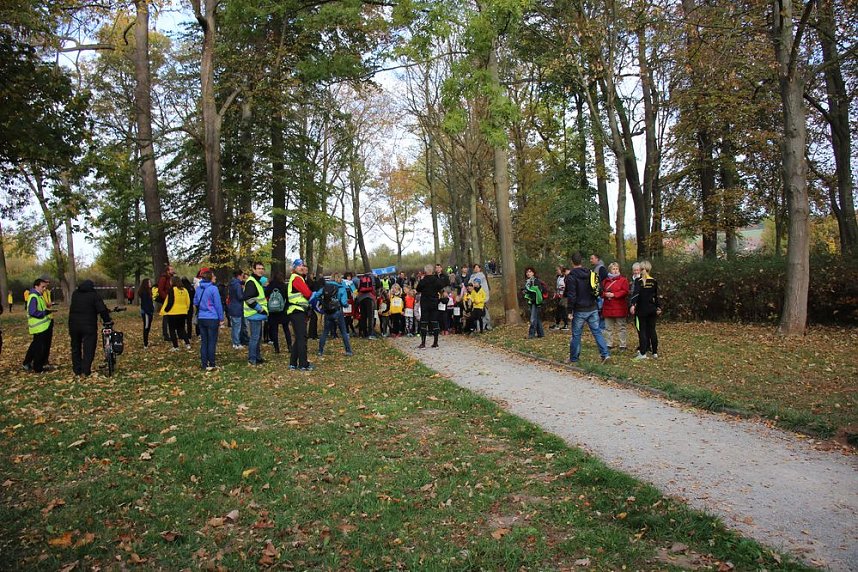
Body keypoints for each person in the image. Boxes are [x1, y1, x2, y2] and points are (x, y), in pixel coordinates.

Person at [566, 252, 610, 364]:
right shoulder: (590, 273)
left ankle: (574, 358)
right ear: (582, 261)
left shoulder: (571, 276)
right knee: (597, 332)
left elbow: (572, 295)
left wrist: (569, 310)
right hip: (592, 307)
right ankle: (605, 354)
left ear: (572, 262)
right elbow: (597, 288)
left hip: (579, 309)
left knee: (576, 334)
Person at [68, 280, 112, 377]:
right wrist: (107, 320)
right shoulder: (94, 295)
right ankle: (85, 370)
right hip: (88, 325)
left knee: (75, 347)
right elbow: (101, 309)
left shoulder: (75, 294)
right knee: (89, 348)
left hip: (73, 324)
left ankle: (77, 369)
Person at [630, 260, 661, 359]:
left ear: (641, 269)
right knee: (652, 330)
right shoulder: (654, 281)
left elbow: (636, 295)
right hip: (652, 309)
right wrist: (658, 307)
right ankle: (655, 352)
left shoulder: (638, 281)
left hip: (641, 310)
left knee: (642, 330)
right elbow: (656, 296)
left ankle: (642, 353)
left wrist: (633, 305)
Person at [193, 270, 224, 370]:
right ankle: (212, 363)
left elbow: (195, 302)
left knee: (204, 341)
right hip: (212, 317)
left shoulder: (198, 288)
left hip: (201, 317)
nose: (215, 277)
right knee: (212, 341)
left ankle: (204, 363)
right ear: (210, 277)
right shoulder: (213, 289)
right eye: (214, 276)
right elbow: (218, 304)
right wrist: (221, 318)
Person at [286, 258, 313, 370]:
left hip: (296, 311)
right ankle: (303, 364)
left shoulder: (297, 278)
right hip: (297, 311)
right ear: (294, 268)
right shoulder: (297, 278)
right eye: (299, 266)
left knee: (299, 338)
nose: (301, 267)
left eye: (302, 265)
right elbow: (307, 293)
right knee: (302, 338)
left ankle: (293, 363)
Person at [415, 263, 450, 348]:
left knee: (424, 322)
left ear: (425, 271)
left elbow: (418, 289)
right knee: (435, 321)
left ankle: (423, 343)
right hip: (434, 302)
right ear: (432, 270)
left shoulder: (423, 280)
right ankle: (435, 342)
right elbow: (441, 287)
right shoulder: (436, 280)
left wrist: (421, 280)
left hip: (425, 303)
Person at [318, 273, 353, 357]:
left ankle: (320, 351)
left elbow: (316, 295)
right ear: (339, 278)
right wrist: (346, 305)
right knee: (343, 332)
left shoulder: (325, 287)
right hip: (337, 312)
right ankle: (348, 351)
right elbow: (344, 302)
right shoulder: (341, 288)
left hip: (327, 312)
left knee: (325, 332)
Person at [23, 278, 54, 373]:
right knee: (39, 347)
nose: (44, 289)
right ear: (36, 286)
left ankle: (28, 363)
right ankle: (37, 367)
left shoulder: (38, 296)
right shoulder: (33, 296)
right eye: (42, 287)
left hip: (43, 326)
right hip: (38, 326)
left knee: (36, 346)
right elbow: (33, 312)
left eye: (45, 287)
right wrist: (44, 313)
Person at [243, 261, 269, 366]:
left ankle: (257, 358)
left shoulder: (257, 281)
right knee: (255, 337)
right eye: (258, 268)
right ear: (253, 270)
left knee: (257, 337)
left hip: (257, 315)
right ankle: (252, 359)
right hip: (254, 314)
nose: (261, 270)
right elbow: (248, 299)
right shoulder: (251, 282)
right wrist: (260, 309)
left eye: (262, 268)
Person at [601, 262, 630, 351]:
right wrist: (606, 294)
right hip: (608, 307)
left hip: (619, 307)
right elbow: (600, 292)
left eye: (616, 268)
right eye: (613, 269)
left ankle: (623, 344)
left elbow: (625, 291)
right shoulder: (605, 281)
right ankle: (608, 343)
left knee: (621, 327)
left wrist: (614, 294)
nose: (615, 270)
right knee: (608, 327)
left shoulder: (623, 280)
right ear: (610, 270)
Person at [265, 271, 292, 355]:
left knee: (274, 330)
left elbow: (265, 296)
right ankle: (289, 346)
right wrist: (286, 307)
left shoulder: (270, 286)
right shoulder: (284, 286)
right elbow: (288, 298)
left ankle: (276, 348)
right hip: (283, 310)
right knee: (286, 329)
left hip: (272, 311)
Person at [161, 276, 191, 351]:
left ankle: (175, 346)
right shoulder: (185, 290)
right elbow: (188, 301)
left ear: (173, 282)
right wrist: (186, 309)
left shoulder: (172, 290)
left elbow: (170, 301)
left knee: (172, 330)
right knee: (181, 329)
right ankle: (187, 344)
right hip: (183, 312)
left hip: (173, 312)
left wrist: (166, 310)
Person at [522, 267, 546, 338]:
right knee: (537, 318)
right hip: (531, 302)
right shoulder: (528, 281)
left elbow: (536, 291)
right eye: (527, 272)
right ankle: (541, 334)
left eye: (530, 272)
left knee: (533, 319)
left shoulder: (536, 281)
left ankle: (531, 334)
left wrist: (528, 291)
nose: (528, 273)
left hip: (536, 302)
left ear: (533, 273)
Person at [228, 270, 248, 349]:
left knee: (234, 326)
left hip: (232, 306)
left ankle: (235, 342)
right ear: (239, 276)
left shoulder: (232, 284)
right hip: (237, 307)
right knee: (237, 326)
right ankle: (236, 343)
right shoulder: (237, 285)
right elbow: (240, 296)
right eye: (242, 276)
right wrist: (245, 294)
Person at [156, 264, 176, 341]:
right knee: (166, 317)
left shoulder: (171, 278)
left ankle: (170, 332)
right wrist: (166, 298)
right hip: (166, 299)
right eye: (171, 269)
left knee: (170, 316)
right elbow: (160, 290)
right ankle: (166, 334)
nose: (172, 270)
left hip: (171, 299)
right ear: (168, 271)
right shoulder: (163, 278)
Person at [469, 263, 490, 330]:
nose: (476, 269)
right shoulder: (472, 276)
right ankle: (475, 328)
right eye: (475, 268)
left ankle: (484, 326)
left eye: (477, 267)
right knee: (474, 315)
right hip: (474, 301)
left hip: (481, 301)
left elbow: (484, 287)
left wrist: (484, 298)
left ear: (480, 268)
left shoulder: (482, 276)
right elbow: (470, 285)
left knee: (483, 314)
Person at [590, 253, 608, 332]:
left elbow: (602, 281)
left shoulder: (601, 268)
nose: (591, 260)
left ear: (597, 259)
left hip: (600, 294)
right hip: (597, 294)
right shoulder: (596, 268)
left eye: (592, 258)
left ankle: (602, 329)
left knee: (601, 312)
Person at [138, 278, 155, 348]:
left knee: (148, 327)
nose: (150, 284)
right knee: (146, 327)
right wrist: (149, 312)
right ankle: (145, 343)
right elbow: (145, 304)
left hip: (149, 311)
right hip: (146, 313)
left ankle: (146, 342)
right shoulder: (144, 293)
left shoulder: (149, 291)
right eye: (149, 283)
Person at [550, 266, 568, 330]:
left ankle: (566, 324)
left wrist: (562, 292)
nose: (556, 271)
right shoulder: (558, 277)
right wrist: (556, 293)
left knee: (563, 310)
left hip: (564, 296)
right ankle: (557, 324)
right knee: (558, 311)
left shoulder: (566, 277)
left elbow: (566, 287)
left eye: (557, 270)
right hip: (558, 296)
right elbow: (557, 287)